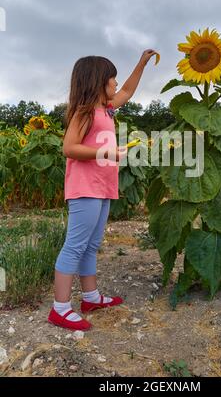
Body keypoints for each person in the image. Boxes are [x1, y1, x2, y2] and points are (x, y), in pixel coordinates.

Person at [48, 49, 157, 330]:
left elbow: (130, 90)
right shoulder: (85, 112)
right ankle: (60, 308)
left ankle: (90, 297)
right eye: (112, 80)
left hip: (102, 187)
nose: (116, 85)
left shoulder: (106, 110)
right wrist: (106, 153)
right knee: (75, 245)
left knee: (91, 245)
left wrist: (142, 62)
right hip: (85, 188)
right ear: (98, 82)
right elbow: (69, 148)